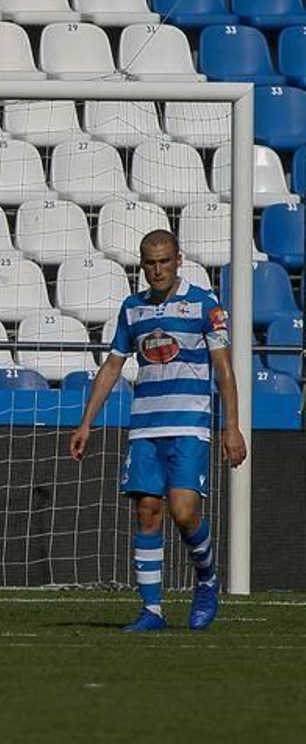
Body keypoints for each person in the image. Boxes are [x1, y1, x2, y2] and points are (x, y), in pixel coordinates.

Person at [69, 230, 246, 633]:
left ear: (178, 260)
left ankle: (207, 578)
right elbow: (112, 366)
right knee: (147, 512)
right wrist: (86, 423)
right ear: (142, 265)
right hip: (145, 426)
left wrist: (231, 427)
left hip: (189, 424)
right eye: (150, 263)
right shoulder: (133, 309)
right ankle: (152, 611)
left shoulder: (204, 304)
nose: (158, 269)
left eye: (165, 261)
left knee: (184, 513)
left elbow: (223, 368)